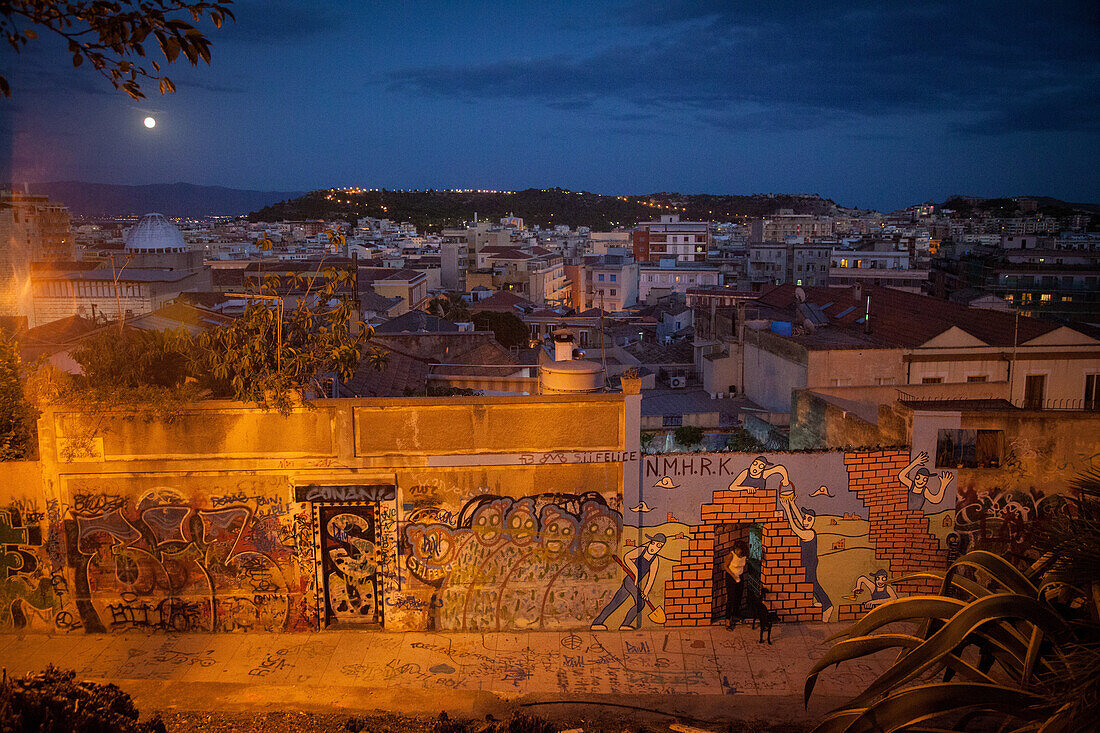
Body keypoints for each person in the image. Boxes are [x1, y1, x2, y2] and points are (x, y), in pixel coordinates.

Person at [591, 533, 665, 630]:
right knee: (640, 603)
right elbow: (627, 557)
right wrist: (636, 572)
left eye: (658, 546)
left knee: (616, 602)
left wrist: (646, 592)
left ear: (660, 548)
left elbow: (651, 578)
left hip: (635, 582)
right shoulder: (642, 550)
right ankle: (625, 625)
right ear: (650, 542)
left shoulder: (655, 560)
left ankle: (597, 623)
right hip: (630, 580)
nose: (654, 547)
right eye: (653, 543)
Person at [779, 494, 833, 622]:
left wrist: (786, 509)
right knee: (810, 581)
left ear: (813, 521)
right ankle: (820, 601)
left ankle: (827, 605)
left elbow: (794, 527)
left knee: (812, 582)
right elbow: (799, 519)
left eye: (809, 519)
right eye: (805, 518)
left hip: (810, 562)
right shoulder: (807, 527)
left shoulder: (809, 533)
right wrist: (792, 504)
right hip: (808, 561)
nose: (805, 521)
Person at [723, 540, 749, 628]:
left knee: (738, 596)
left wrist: (739, 576)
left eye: (738, 549)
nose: (737, 551)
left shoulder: (744, 556)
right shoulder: (731, 555)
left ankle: (735, 615)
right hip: (731, 577)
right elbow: (725, 566)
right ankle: (727, 618)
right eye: (736, 549)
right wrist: (734, 577)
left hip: (740, 576)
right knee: (731, 598)